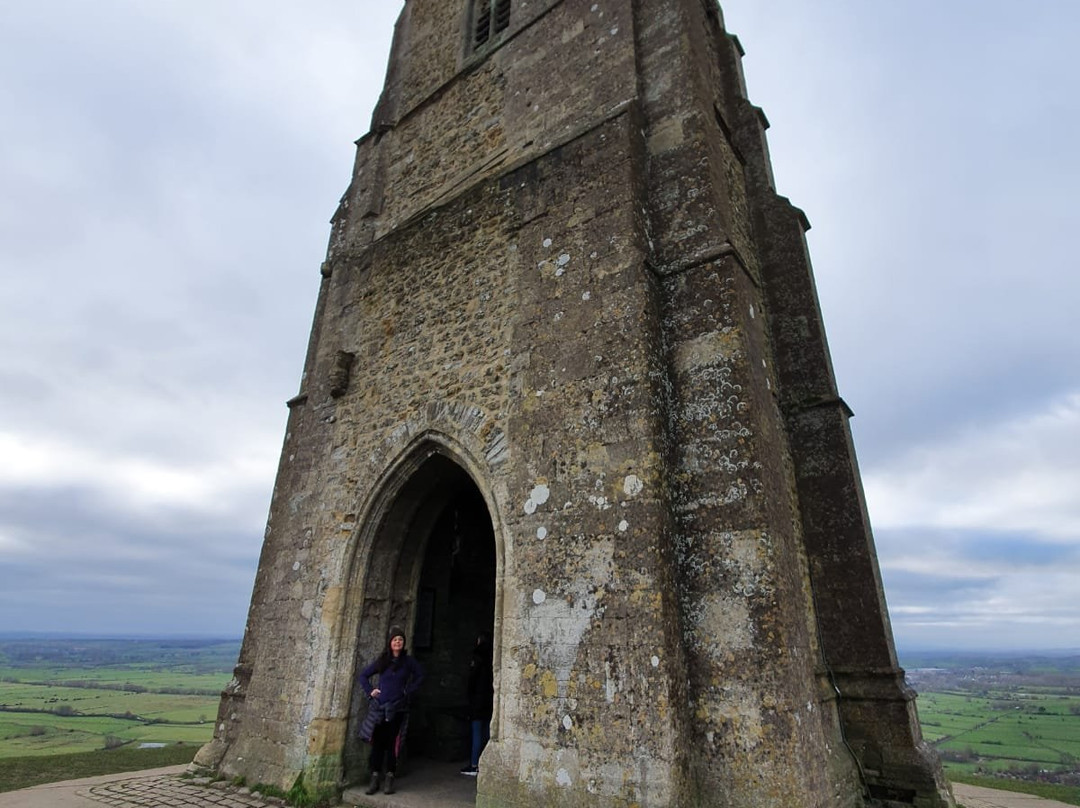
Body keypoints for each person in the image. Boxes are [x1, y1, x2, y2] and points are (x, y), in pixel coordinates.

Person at [357, 626, 424, 795]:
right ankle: (374, 778)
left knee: (393, 745)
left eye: (400, 640)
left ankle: (389, 778)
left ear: (403, 643)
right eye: (395, 640)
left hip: (398, 708)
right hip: (380, 708)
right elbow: (364, 675)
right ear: (390, 642)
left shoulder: (408, 662)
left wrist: (408, 691)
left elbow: (420, 676)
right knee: (378, 744)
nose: (398, 642)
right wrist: (370, 690)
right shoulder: (383, 661)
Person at [460, 632, 493, 776]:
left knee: (477, 733)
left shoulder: (477, 659)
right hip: (489, 700)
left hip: (478, 702)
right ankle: (486, 763)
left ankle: (474, 765)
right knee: (486, 732)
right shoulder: (491, 659)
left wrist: (469, 697)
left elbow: (471, 682)